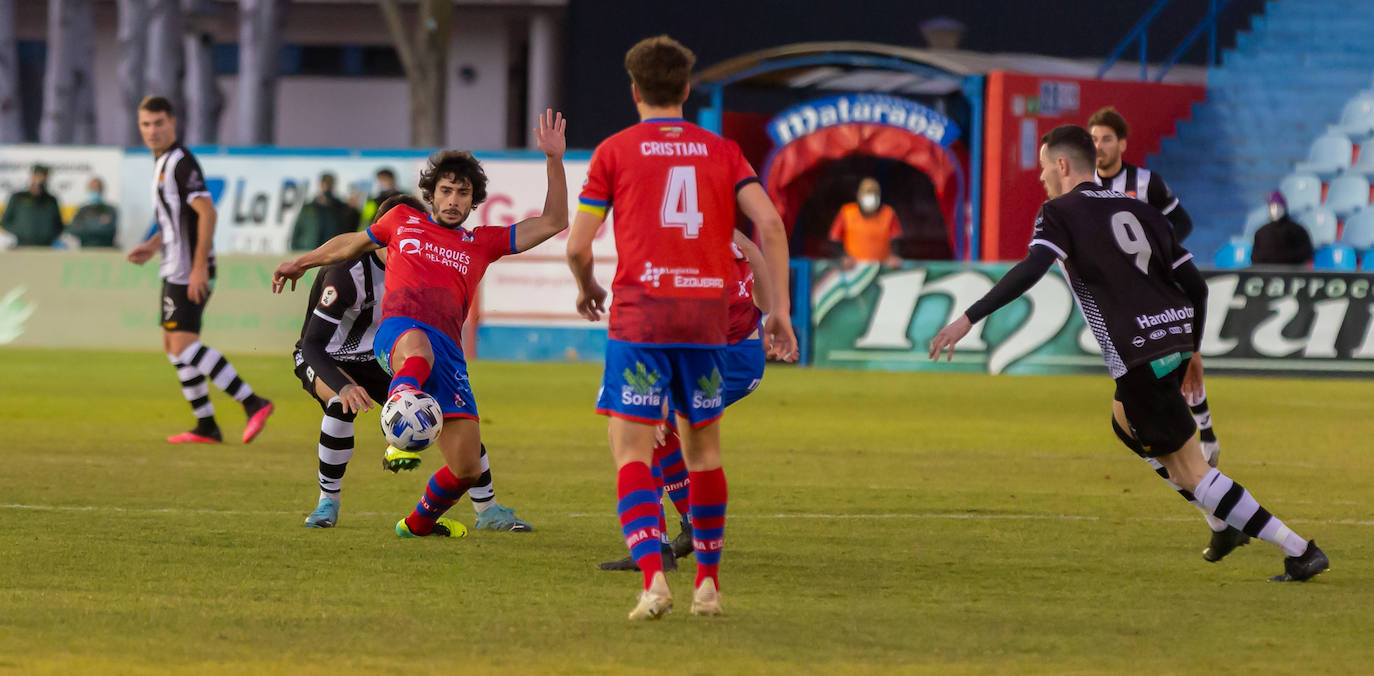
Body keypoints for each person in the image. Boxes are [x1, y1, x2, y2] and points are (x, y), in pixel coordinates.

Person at [929, 125, 1329, 583]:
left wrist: (969, 318)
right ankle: (1221, 523)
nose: (1041, 177)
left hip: (1139, 356)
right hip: (1174, 339)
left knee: (1193, 472)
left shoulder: (1058, 212)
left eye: (1043, 167)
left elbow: (1032, 268)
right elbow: (1196, 286)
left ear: (1062, 165)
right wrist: (1192, 350)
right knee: (1124, 422)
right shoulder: (1140, 209)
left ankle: (1297, 549)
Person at [566, 35, 798, 620]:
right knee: (704, 451)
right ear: (687, 90)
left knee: (631, 451)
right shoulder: (722, 152)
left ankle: (653, 583)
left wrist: (587, 286)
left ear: (635, 90)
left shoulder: (615, 151)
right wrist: (781, 314)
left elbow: (577, 245)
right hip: (705, 322)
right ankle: (708, 586)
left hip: (642, 317)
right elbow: (768, 225)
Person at [272, 109, 569, 540]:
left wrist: (553, 160)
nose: (453, 200)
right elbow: (350, 244)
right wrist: (300, 263)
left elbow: (554, 222)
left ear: (473, 200)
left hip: (448, 353)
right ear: (431, 194)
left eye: (462, 193)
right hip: (400, 334)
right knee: (418, 349)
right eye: (445, 191)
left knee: (466, 467)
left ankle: (418, 523)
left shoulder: (480, 242)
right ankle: (398, 426)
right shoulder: (402, 222)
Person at [291, 193, 531, 531]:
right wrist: (344, 386)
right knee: (340, 405)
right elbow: (313, 344)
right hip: (326, 355)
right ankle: (326, 503)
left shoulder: (422, 264)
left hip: (381, 356)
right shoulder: (346, 274)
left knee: (453, 408)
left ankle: (487, 509)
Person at [598, 230, 773, 573]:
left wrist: (661, 390)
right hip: (744, 357)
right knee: (666, 432)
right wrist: (774, 313)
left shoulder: (684, 249)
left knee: (634, 429)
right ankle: (690, 526)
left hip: (717, 356)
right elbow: (755, 254)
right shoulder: (721, 232)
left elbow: (684, 318)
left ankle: (656, 546)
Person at [1090, 105, 1223, 509]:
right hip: (1123, 295)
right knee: (1154, 365)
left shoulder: (1145, 182)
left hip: (1158, 287)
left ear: (1122, 143)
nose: (1099, 146)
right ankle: (1200, 436)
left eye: (1106, 138)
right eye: (1093, 139)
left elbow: (1181, 223)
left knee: (1176, 355)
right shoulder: (1086, 185)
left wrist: (1161, 253)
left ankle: (1203, 430)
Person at [125, 95, 275, 444]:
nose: (152, 131)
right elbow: (178, 220)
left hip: (186, 269)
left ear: (172, 122)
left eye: (159, 123)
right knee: (172, 344)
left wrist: (197, 270)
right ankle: (206, 425)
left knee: (183, 344)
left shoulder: (180, 163)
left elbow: (207, 212)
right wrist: (151, 246)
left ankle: (253, 402)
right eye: (146, 124)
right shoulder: (162, 163)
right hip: (173, 264)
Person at [828, 177, 902, 268]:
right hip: (854, 269)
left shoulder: (888, 213)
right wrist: (843, 257)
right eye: (867, 193)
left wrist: (894, 257)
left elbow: (896, 239)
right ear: (859, 195)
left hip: (881, 267)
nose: (870, 197)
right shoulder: (847, 212)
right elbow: (834, 239)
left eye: (874, 193)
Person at [291, 173, 359, 251]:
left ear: (333, 185)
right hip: (309, 250)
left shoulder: (340, 207)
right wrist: (295, 248)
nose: (327, 187)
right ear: (320, 184)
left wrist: (352, 209)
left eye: (330, 183)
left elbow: (350, 228)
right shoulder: (309, 207)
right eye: (325, 183)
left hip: (330, 253)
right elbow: (297, 229)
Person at [1, 164, 64, 247]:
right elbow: (5, 222)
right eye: (38, 175)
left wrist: (49, 235)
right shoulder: (18, 197)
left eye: (43, 176)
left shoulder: (51, 200)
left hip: (46, 246)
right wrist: (21, 232)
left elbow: (58, 224)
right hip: (23, 245)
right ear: (32, 176)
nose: (40, 180)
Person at [1251, 191, 1314, 266]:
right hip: (1267, 275)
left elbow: (1307, 253)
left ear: (1284, 207)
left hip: (1293, 274)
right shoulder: (1261, 233)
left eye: (1278, 206)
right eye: (1272, 207)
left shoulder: (1298, 231)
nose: (1275, 210)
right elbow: (1255, 258)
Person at [67, 177, 119, 248]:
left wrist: (86, 225)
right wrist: (99, 224)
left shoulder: (110, 210)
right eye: (93, 188)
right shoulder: (82, 210)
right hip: (86, 249)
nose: (96, 190)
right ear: (88, 189)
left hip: (106, 249)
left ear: (102, 189)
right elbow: (74, 230)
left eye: (98, 188)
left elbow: (110, 231)